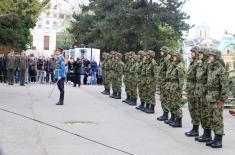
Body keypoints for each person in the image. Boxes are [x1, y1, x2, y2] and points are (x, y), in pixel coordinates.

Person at [205, 49, 228, 148]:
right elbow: (208, 83)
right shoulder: (211, 68)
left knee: (217, 118)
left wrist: (222, 100)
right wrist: (207, 93)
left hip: (217, 98)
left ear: (216, 57)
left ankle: (219, 140)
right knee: (211, 118)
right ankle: (214, 138)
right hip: (210, 96)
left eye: (211, 56)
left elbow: (225, 86)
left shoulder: (221, 69)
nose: (209, 57)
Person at [185, 46, 200, 136]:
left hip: (194, 89)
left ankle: (196, 129)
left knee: (195, 110)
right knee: (191, 109)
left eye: (193, 52)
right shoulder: (192, 63)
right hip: (190, 89)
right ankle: (194, 128)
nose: (191, 53)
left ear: (197, 53)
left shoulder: (198, 63)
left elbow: (198, 79)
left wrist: (195, 91)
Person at [168, 52, 185, 127]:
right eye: (173, 56)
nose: (174, 58)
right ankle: (174, 119)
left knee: (177, 105)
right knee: (173, 104)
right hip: (173, 87)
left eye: (175, 56)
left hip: (176, 88)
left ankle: (178, 121)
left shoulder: (180, 66)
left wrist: (179, 90)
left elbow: (181, 81)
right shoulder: (175, 65)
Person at [157, 46, 171, 121]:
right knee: (162, 98)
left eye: (162, 51)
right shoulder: (163, 59)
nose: (160, 52)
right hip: (162, 81)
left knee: (165, 98)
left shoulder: (167, 60)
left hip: (165, 82)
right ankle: (164, 114)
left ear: (165, 52)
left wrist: (166, 82)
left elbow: (169, 71)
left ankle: (166, 115)